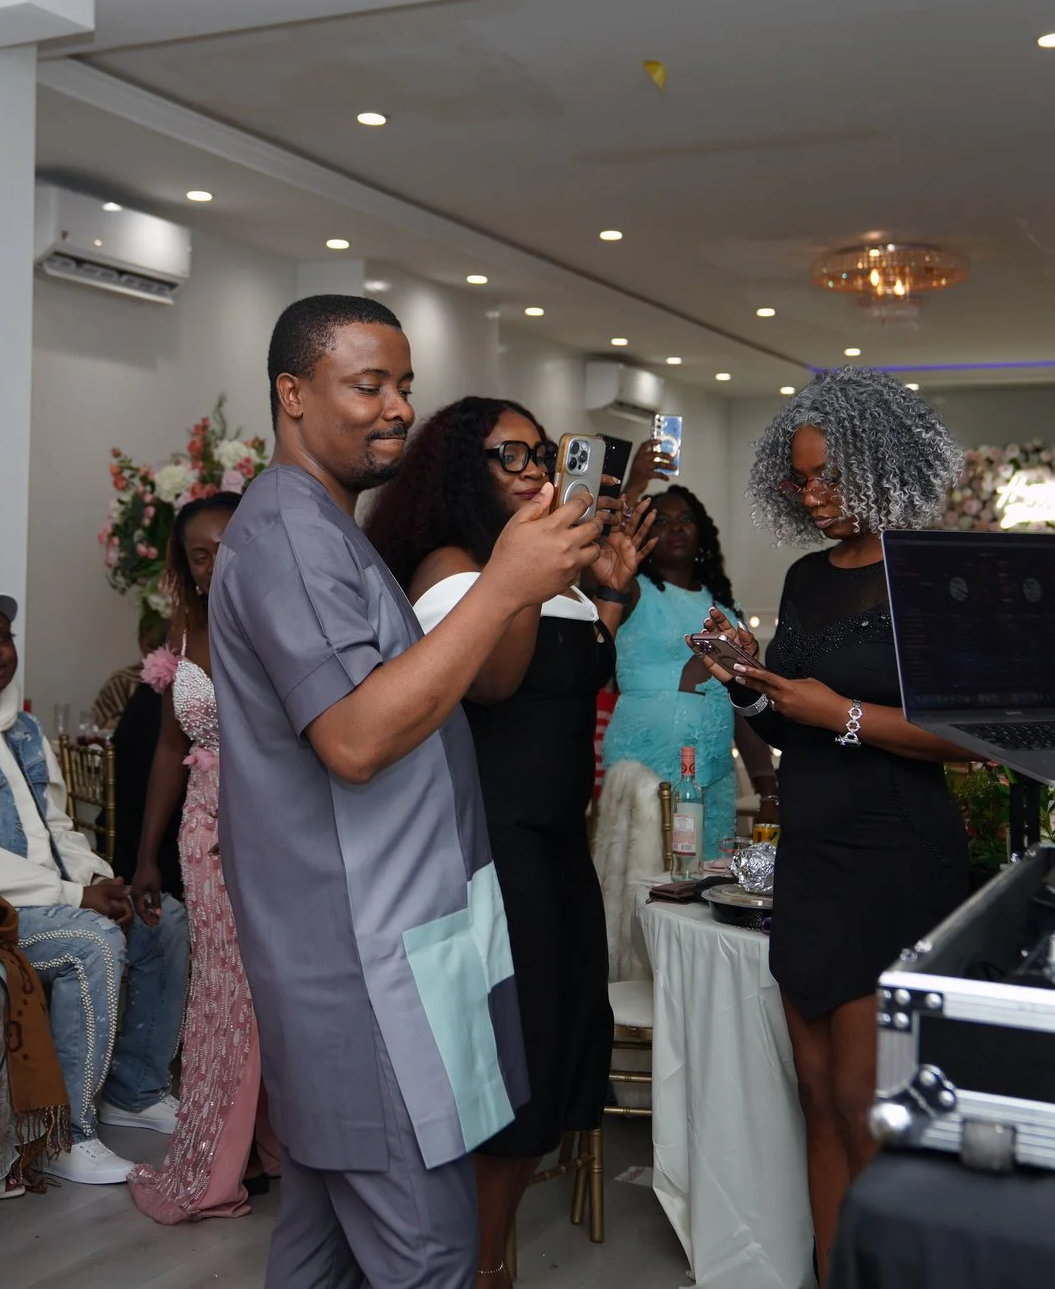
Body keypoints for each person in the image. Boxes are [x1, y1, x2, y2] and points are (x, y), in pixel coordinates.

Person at [208, 295, 604, 1289]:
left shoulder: (324, 527)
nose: (396, 407)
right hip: (362, 962)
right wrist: (504, 586)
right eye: (367, 384)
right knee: (431, 1253)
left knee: (324, 1253)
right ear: (293, 392)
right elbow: (353, 738)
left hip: (383, 942)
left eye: (404, 385)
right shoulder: (290, 531)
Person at [361, 397, 654, 1285]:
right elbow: (496, 681)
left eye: (542, 452)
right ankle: (480, 1268)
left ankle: (484, 1260)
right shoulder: (457, 570)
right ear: (463, 468)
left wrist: (607, 592)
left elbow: (576, 671)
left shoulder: (532, 572)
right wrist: (525, 571)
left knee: (556, 1055)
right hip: (492, 851)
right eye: (510, 455)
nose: (534, 469)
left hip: (559, 848)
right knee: (506, 1071)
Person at [698, 367, 970, 1276]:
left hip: (895, 853)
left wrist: (839, 713)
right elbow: (791, 724)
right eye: (802, 478)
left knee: (863, 1100)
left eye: (830, 477)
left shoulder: (930, 574)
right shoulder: (807, 577)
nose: (812, 496)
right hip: (813, 853)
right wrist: (751, 683)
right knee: (815, 1095)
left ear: (885, 465)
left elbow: (966, 739)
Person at [0, 593, 190, 1187]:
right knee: (94, 943)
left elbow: (57, 826)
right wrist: (75, 897)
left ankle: (134, 1091)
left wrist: (95, 877)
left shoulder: (25, 729)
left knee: (164, 918)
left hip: (56, 893)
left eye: (0, 637)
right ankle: (65, 1135)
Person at [127, 492, 279, 1223]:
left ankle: (272, 1143)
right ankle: (228, 1153)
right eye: (200, 553)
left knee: (270, 989)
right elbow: (168, 747)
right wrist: (146, 856)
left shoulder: (284, 619)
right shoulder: (184, 628)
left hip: (275, 830)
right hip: (202, 831)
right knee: (223, 988)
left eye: (228, 543)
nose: (216, 561)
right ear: (185, 568)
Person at [592, 481, 775, 981]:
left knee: (704, 895)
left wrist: (767, 786)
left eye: (685, 520)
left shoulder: (723, 606)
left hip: (713, 775)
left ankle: (695, 993)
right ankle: (639, 991)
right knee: (646, 893)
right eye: (663, 520)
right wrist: (629, 485)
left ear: (703, 534)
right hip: (647, 771)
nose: (675, 529)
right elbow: (599, 574)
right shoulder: (633, 589)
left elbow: (743, 700)